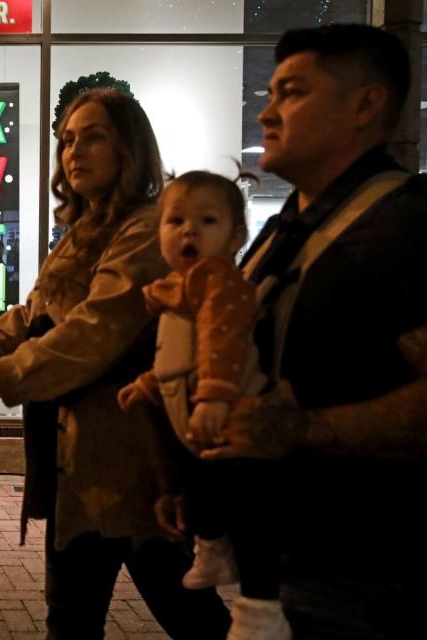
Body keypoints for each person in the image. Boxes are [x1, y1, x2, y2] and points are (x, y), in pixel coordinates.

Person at [0, 90, 230, 639]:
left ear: (129, 147)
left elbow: (89, 334)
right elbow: (34, 317)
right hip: (79, 465)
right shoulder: (84, 231)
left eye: (93, 136)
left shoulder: (146, 231)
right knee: (72, 619)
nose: (74, 151)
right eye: (66, 139)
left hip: (138, 467)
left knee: (189, 616)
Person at [187, 24, 427, 638]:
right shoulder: (284, 227)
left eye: (291, 92)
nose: (266, 112)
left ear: (365, 104)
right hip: (286, 569)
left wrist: (305, 429)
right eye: (269, 92)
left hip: (369, 581)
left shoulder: (404, 224)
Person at [117, 171, 289, 639]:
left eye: (206, 220)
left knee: (248, 508)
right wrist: (149, 384)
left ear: (236, 236)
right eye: (175, 221)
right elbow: (181, 357)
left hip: (225, 416)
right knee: (205, 491)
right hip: (195, 420)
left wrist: (213, 395)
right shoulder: (184, 288)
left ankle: (259, 604)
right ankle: (213, 548)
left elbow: (220, 344)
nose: (188, 230)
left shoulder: (216, 283)